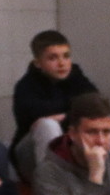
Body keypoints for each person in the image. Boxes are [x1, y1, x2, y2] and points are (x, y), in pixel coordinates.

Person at [11, 30, 98, 181]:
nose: (62, 63)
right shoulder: (26, 86)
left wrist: (64, 115)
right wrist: (73, 112)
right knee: (47, 125)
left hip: (74, 151)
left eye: (66, 56)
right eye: (53, 58)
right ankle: (54, 186)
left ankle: (103, 182)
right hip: (31, 156)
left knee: (102, 121)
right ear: (38, 63)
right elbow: (35, 115)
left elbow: (96, 106)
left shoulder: (77, 78)